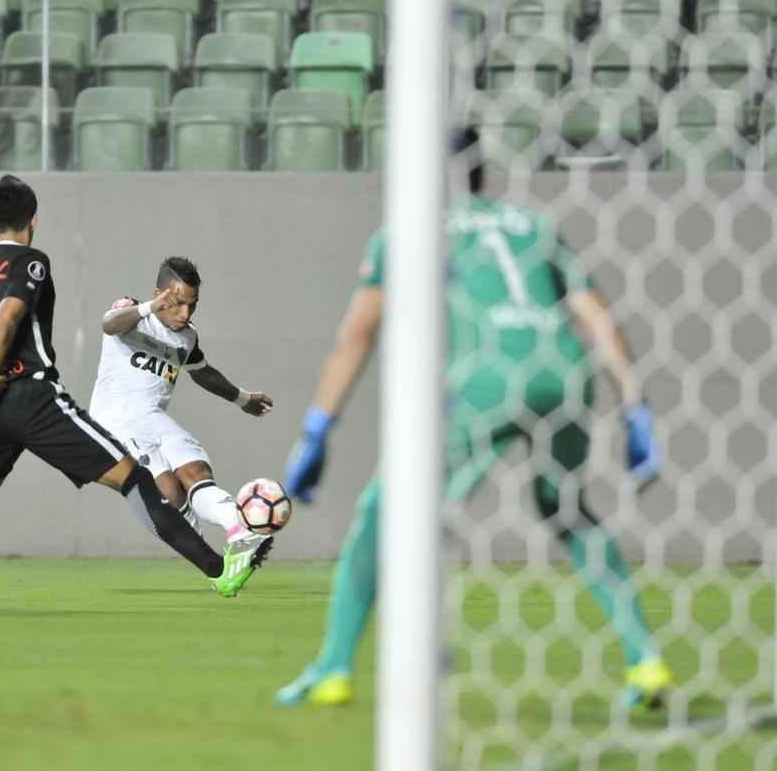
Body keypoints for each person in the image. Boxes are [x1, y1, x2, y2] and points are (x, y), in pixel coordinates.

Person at [276, 128, 672, 710]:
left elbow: (357, 335)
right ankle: (646, 659)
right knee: (568, 510)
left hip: (485, 381)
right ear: (481, 172)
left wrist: (318, 427)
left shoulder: (407, 233)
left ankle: (334, 667)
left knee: (379, 517)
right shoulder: (534, 226)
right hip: (565, 374)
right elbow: (598, 318)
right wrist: (635, 406)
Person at [0, 176, 272, 609]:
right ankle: (221, 570)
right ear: (34, 219)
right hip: (32, 397)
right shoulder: (32, 262)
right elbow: (8, 317)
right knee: (134, 478)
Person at [88, 257, 275, 555]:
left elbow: (202, 372)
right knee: (170, 493)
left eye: (192, 304)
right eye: (177, 303)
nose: (185, 313)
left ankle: (242, 532)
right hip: (115, 422)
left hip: (153, 418)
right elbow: (108, 324)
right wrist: (150, 307)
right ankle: (209, 560)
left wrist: (243, 398)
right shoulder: (132, 313)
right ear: (160, 294)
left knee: (197, 471)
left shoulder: (187, 336)